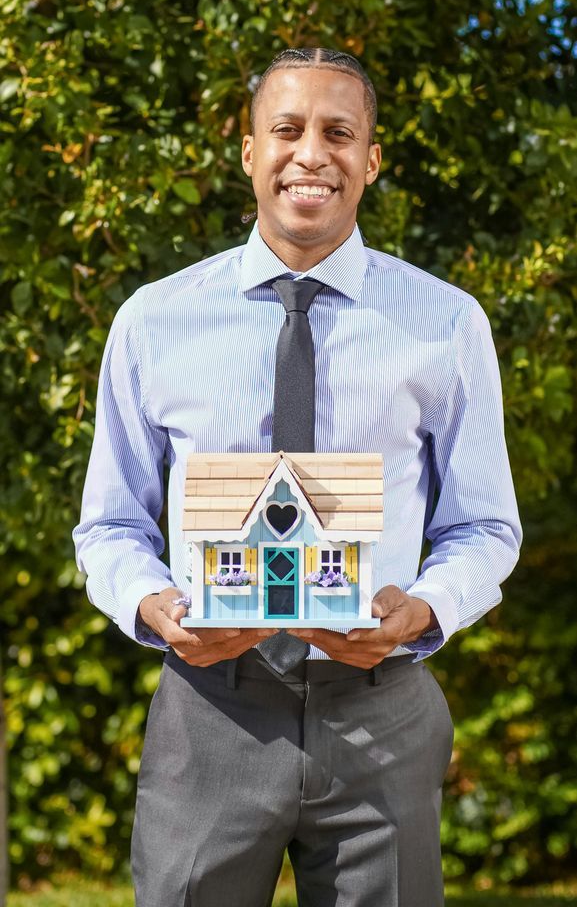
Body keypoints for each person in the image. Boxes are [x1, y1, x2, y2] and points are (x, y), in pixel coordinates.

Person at [73, 47, 521, 907]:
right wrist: (151, 605)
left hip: (380, 714)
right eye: (286, 129)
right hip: (211, 711)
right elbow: (110, 524)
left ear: (371, 160)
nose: (310, 153)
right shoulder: (153, 322)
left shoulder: (445, 324)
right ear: (249, 152)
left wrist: (423, 609)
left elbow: (484, 526)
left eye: (338, 133)